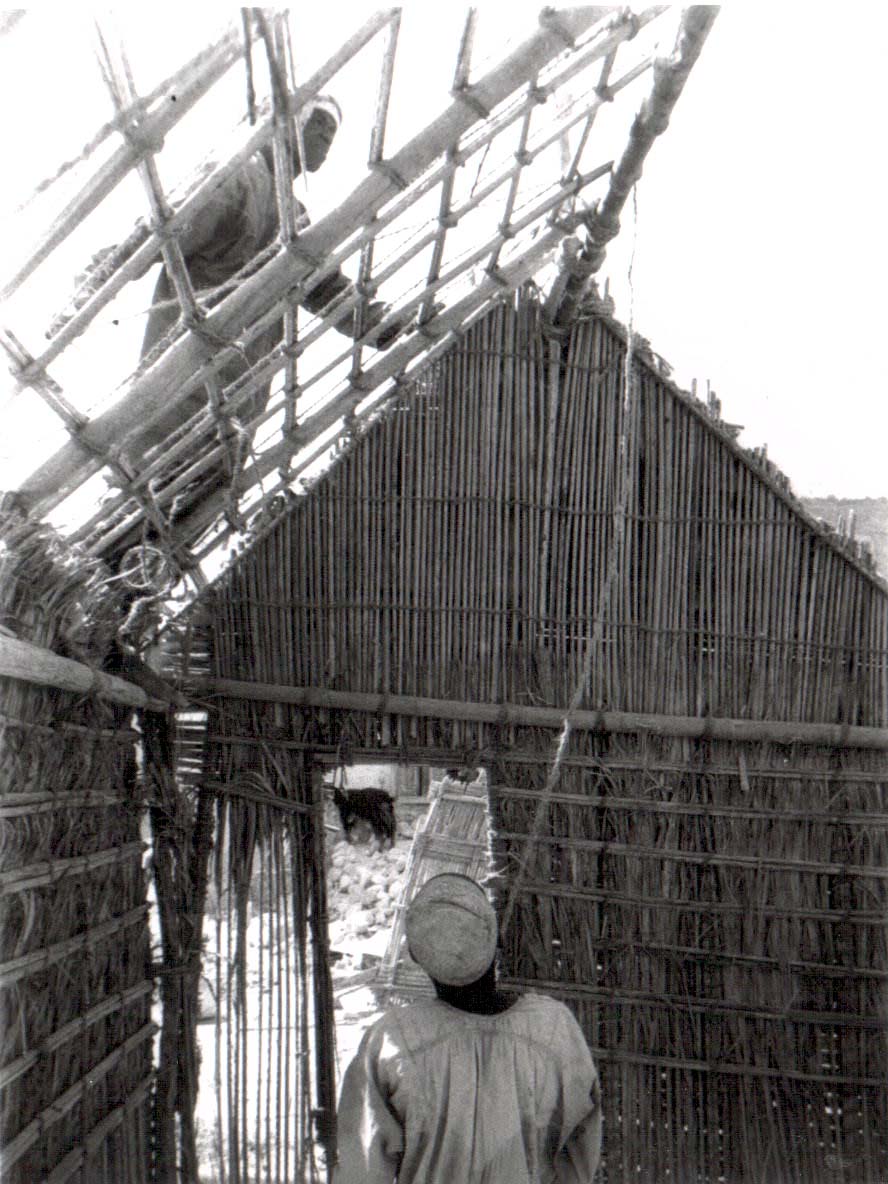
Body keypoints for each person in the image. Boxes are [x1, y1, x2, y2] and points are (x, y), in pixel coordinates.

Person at [135, 94, 402, 455]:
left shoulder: (295, 218)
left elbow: (327, 290)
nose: (326, 135)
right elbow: (163, 234)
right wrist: (109, 271)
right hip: (181, 385)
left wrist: (386, 326)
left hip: (240, 396)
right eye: (318, 121)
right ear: (285, 121)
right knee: (151, 481)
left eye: (332, 130)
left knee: (202, 497)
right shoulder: (236, 179)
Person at [334, 873, 602, 1183]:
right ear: (497, 940)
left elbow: (363, 1168)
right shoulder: (554, 1028)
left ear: (417, 957)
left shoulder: (393, 1041)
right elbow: (581, 1149)